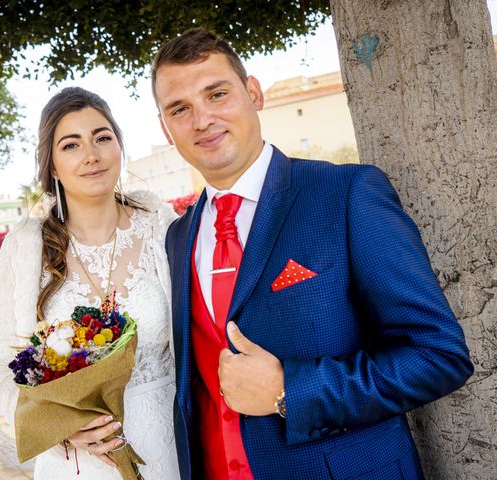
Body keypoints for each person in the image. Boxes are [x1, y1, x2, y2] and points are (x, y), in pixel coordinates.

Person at [153, 28, 474, 480]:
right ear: (166, 130)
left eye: (217, 94)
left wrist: (291, 391)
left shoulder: (346, 194)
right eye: (180, 109)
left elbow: (438, 355)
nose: (201, 119)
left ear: (253, 93)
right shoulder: (178, 236)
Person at [0, 87, 180, 479]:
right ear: (52, 165)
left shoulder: (162, 229)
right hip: (77, 464)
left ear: (119, 146)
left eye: (102, 138)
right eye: (71, 145)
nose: (91, 155)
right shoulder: (25, 250)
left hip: (170, 446)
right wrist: (58, 427)